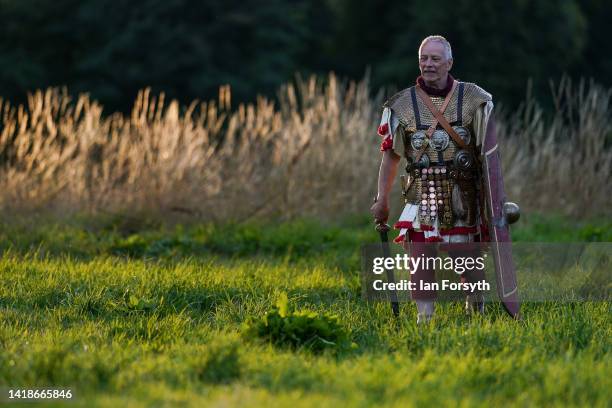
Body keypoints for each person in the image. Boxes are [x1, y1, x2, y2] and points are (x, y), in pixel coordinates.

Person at [370, 35, 495, 323]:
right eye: (424, 58)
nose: (428, 64)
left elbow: (488, 154)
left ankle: (476, 307)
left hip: (462, 193)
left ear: (449, 63)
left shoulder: (474, 99)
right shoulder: (401, 105)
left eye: (435, 59)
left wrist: (492, 201)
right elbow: (391, 156)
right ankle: (424, 317)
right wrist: (382, 199)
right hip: (420, 192)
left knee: (467, 258)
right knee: (420, 258)